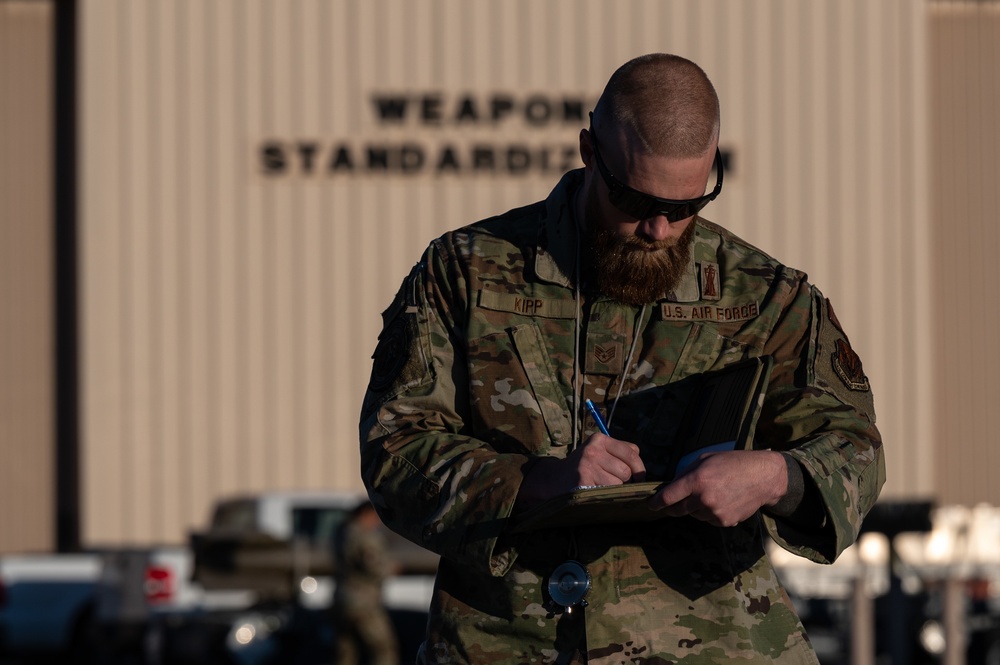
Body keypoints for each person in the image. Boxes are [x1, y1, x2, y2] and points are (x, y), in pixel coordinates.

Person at [359, 53, 885, 664]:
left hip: (712, 647)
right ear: (589, 152)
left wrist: (774, 477)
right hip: (505, 646)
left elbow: (855, 449)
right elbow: (394, 447)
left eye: (688, 205)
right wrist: (536, 483)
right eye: (634, 200)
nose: (660, 228)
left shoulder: (767, 297)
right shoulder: (465, 272)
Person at [331, 500, 399, 665]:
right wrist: (390, 568)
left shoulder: (342, 531)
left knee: (346, 652)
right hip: (363, 602)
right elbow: (372, 566)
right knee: (383, 649)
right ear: (366, 514)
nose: (377, 522)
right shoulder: (364, 535)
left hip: (342, 599)